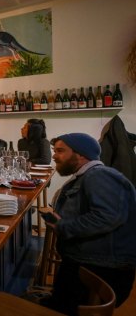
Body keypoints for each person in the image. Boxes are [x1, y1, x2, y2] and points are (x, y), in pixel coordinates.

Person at [40, 133, 136, 315]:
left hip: (100, 269)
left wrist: (63, 226)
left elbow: (108, 216)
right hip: (86, 262)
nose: (54, 156)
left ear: (81, 154)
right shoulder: (88, 176)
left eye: (60, 151)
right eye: (54, 151)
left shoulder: (100, 175)